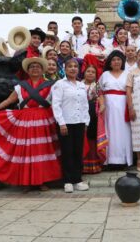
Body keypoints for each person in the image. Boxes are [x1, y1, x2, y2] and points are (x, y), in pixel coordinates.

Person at [0, 57, 61, 191]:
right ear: (28, 71)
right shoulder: (20, 87)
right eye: (32, 67)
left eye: (37, 67)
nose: (35, 68)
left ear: (42, 70)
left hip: (44, 121)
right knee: (27, 152)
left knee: (42, 150)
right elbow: (8, 100)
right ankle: (26, 182)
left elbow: (59, 102)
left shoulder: (51, 85)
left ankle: (41, 181)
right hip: (25, 122)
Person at [52, 59, 90, 193]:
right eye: (70, 66)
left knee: (77, 152)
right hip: (66, 123)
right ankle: (67, 181)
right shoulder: (60, 84)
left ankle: (77, 179)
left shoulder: (81, 85)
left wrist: (86, 121)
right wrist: (61, 123)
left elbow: (85, 105)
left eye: (75, 66)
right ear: (65, 68)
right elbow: (56, 105)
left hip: (79, 122)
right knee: (67, 152)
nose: (73, 69)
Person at [99, 51, 132, 167]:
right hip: (108, 107)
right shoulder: (105, 75)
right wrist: (102, 104)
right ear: (110, 62)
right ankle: (110, 160)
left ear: (122, 61)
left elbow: (131, 91)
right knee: (110, 130)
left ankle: (124, 159)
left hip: (124, 105)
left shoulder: (128, 73)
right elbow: (100, 92)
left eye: (118, 59)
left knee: (124, 130)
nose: (116, 62)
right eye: (113, 60)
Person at [82, 65, 108, 174]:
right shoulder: (79, 85)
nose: (90, 74)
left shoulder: (97, 86)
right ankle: (82, 165)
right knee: (83, 138)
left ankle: (93, 165)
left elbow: (101, 101)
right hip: (80, 114)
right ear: (84, 73)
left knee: (92, 139)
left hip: (93, 114)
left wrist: (101, 108)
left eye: (93, 72)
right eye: (88, 71)